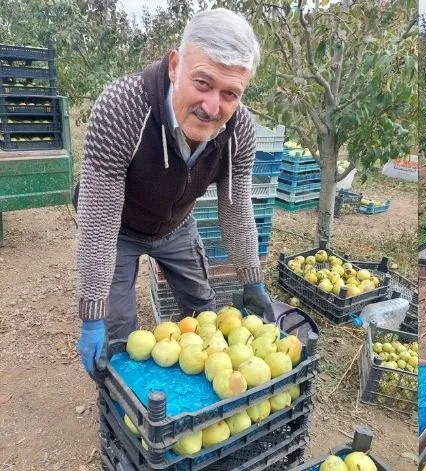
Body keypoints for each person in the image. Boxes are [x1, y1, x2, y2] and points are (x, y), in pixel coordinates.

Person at [74, 9, 275, 376]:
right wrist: (91, 314)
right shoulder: (122, 110)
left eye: (230, 93)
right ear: (173, 66)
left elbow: (235, 207)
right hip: (117, 228)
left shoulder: (239, 130)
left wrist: (252, 279)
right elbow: (99, 221)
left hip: (176, 226)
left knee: (204, 310)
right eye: (202, 83)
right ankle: (122, 410)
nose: (213, 107)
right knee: (117, 335)